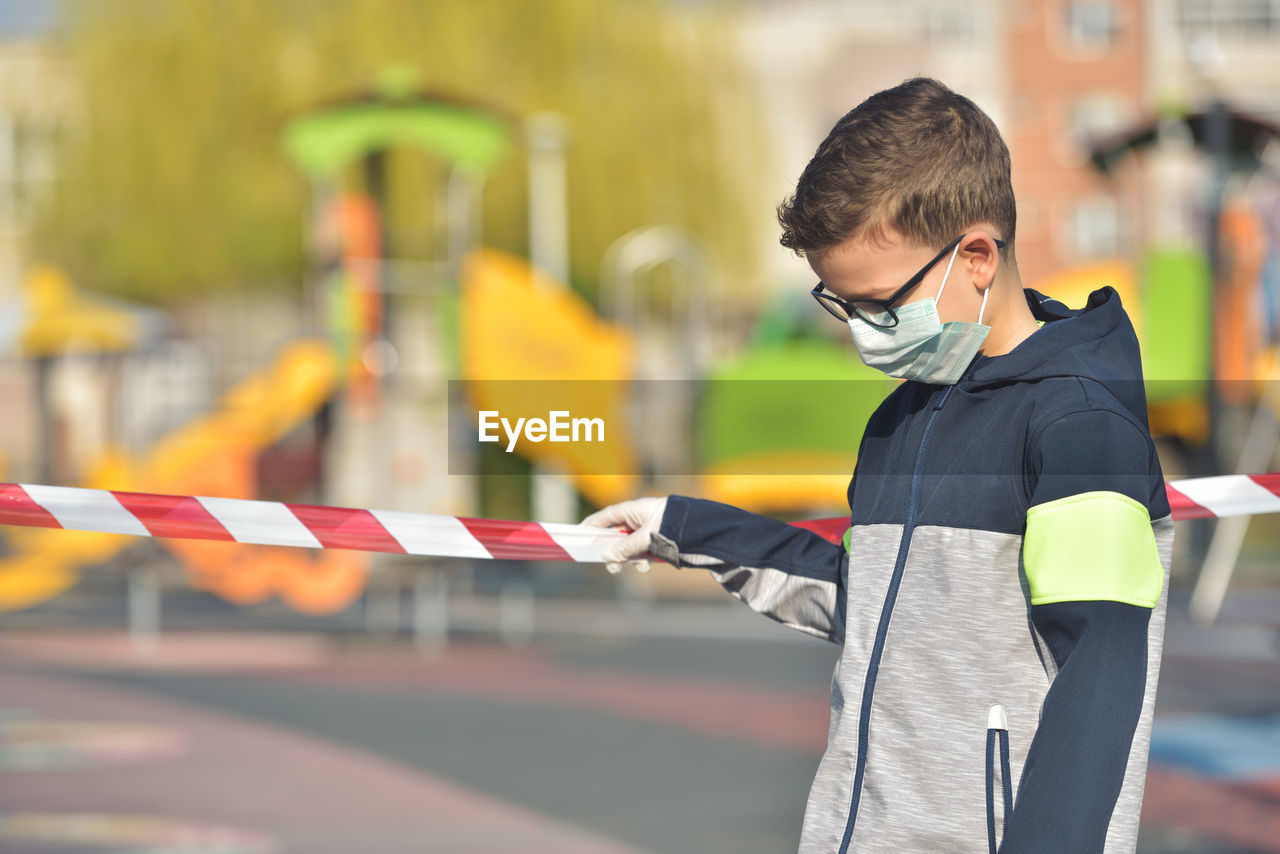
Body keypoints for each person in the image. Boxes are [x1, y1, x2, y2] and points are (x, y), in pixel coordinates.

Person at [582, 78, 1172, 854]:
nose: (864, 334)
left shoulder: (1080, 427)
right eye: (844, 305)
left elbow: (1100, 676)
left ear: (978, 257)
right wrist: (686, 530)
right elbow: (871, 606)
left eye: (880, 306)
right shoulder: (900, 419)